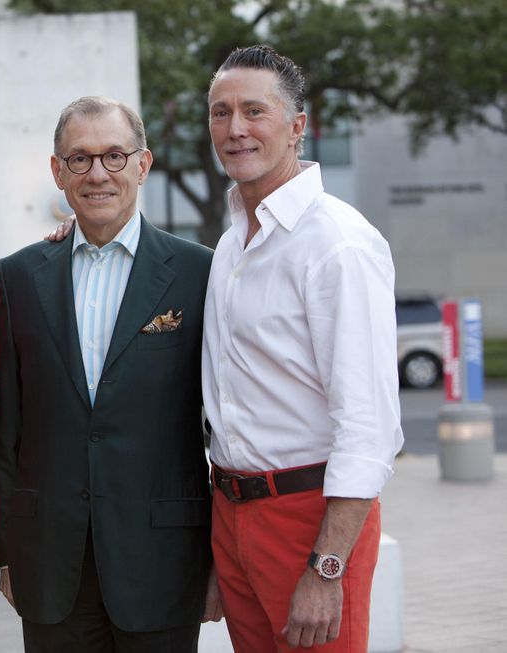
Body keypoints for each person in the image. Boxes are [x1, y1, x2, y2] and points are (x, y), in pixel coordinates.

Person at [0, 96, 217, 653]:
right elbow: (8, 429)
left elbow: (221, 422)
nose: (97, 173)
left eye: (115, 156)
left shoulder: (200, 272)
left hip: (163, 559)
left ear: (143, 165)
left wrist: (218, 558)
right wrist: (11, 550)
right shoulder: (19, 276)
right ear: (57, 170)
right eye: (80, 158)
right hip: (51, 562)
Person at [202, 45, 404, 652]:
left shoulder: (338, 244)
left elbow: (367, 425)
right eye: (220, 112)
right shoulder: (232, 241)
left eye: (254, 111)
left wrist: (327, 568)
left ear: (296, 127)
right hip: (232, 512)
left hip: (310, 521)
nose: (235, 128)